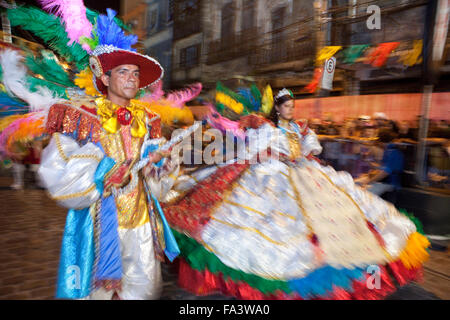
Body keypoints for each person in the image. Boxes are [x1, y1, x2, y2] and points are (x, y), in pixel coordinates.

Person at [160, 88, 430, 300]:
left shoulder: (300, 127)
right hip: (269, 174)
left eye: (293, 106)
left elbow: (310, 147)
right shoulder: (264, 127)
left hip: (304, 174)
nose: (291, 110)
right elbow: (251, 152)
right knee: (274, 223)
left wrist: (302, 153)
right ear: (277, 108)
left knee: (343, 217)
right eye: (286, 106)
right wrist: (267, 154)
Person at [29, 7, 182, 300]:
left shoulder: (148, 120)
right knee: (98, 294)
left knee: (144, 292)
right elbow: (56, 169)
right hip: (98, 224)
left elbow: (159, 183)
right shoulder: (82, 115)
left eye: (136, 73)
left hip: (141, 224)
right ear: (105, 77)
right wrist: (102, 175)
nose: (132, 79)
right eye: (123, 72)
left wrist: (159, 165)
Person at [355, 129, 404, 196]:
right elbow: (382, 168)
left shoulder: (392, 152)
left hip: (390, 184)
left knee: (363, 193)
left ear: (382, 142)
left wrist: (369, 181)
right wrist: (370, 173)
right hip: (385, 181)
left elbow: (384, 173)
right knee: (356, 183)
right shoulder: (390, 150)